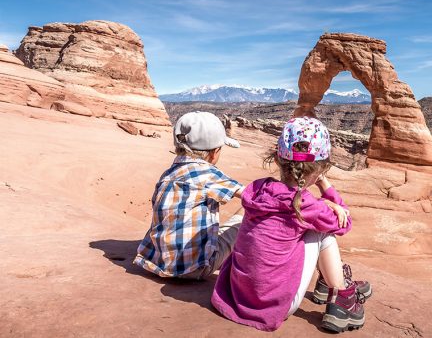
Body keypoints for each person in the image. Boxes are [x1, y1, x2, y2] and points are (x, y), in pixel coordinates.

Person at [211, 116, 371, 332]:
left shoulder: (258, 189)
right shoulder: (306, 205)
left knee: (303, 228)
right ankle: (342, 298)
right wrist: (325, 187)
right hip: (273, 305)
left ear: (277, 159)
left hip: (237, 294)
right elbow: (345, 223)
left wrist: (321, 202)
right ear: (321, 167)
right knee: (323, 233)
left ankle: (325, 283)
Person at [134, 111, 244, 280]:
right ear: (214, 152)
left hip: (157, 261)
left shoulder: (168, 174)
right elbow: (251, 196)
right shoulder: (208, 173)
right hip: (194, 268)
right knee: (244, 216)